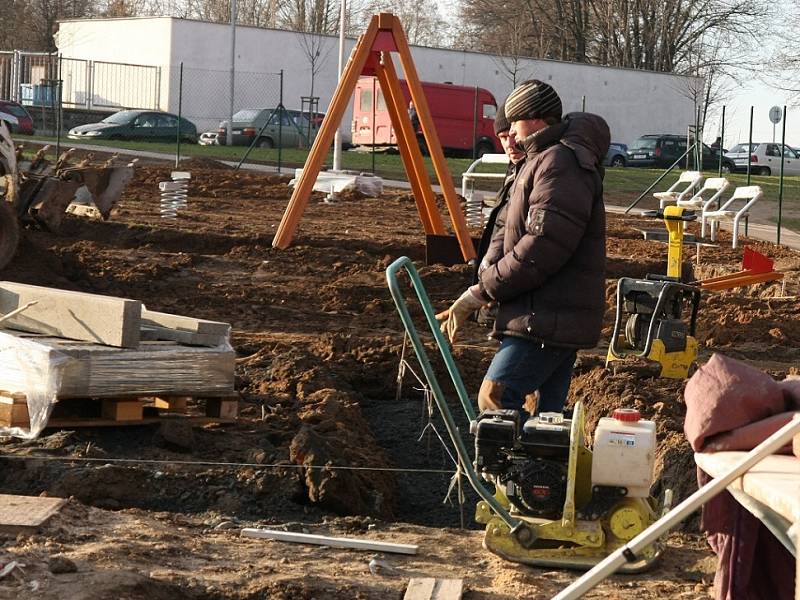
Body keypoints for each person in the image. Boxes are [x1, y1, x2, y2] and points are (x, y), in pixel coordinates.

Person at [436, 79, 610, 418]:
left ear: (535, 118)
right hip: (547, 314)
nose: (510, 133)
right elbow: (514, 232)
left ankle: (504, 472)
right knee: (546, 418)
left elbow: (542, 246)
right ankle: (542, 470)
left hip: (546, 316)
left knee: (496, 397)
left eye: (514, 122)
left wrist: (481, 292)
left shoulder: (560, 163)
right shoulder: (541, 160)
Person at [472, 102, 525, 328]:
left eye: (512, 136)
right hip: (496, 291)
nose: (509, 144)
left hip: (511, 301)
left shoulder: (533, 175)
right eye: (503, 137)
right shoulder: (515, 171)